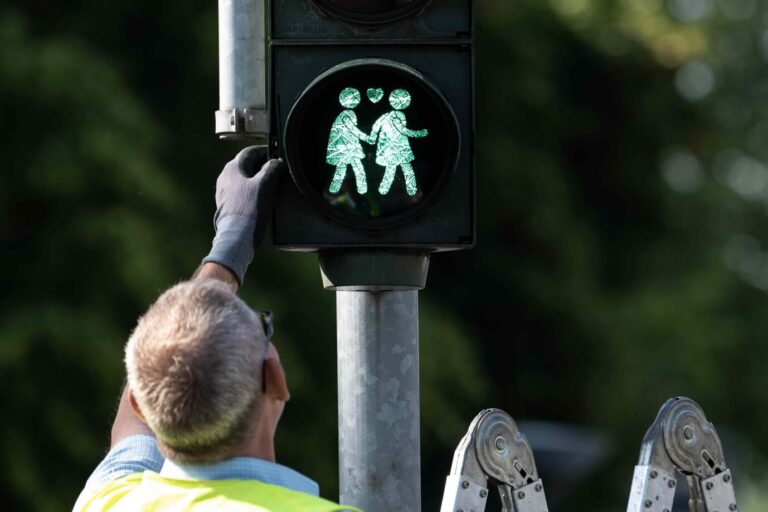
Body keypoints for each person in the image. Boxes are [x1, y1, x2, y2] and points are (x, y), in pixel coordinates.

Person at [73, 147, 358, 512]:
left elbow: (139, 413)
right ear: (274, 377)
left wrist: (230, 243)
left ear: (140, 406)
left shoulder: (109, 502)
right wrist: (230, 246)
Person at [369, 89, 428, 197]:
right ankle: (411, 189)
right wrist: (419, 133)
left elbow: (376, 125)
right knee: (406, 168)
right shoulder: (397, 116)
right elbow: (403, 130)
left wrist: (372, 137)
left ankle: (384, 189)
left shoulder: (387, 115)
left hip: (389, 149)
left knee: (391, 170)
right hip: (398, 149)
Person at [326, 87, 375, 195]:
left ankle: (335, 189)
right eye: (351, 99)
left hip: (344, 147)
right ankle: (362, 189)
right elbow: (353, 130)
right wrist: (367, 138)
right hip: (347, 147)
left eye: (355, 98)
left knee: (343, 169)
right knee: (357, 168)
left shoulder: (344, 115)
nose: (354, 101)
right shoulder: (347, 115)